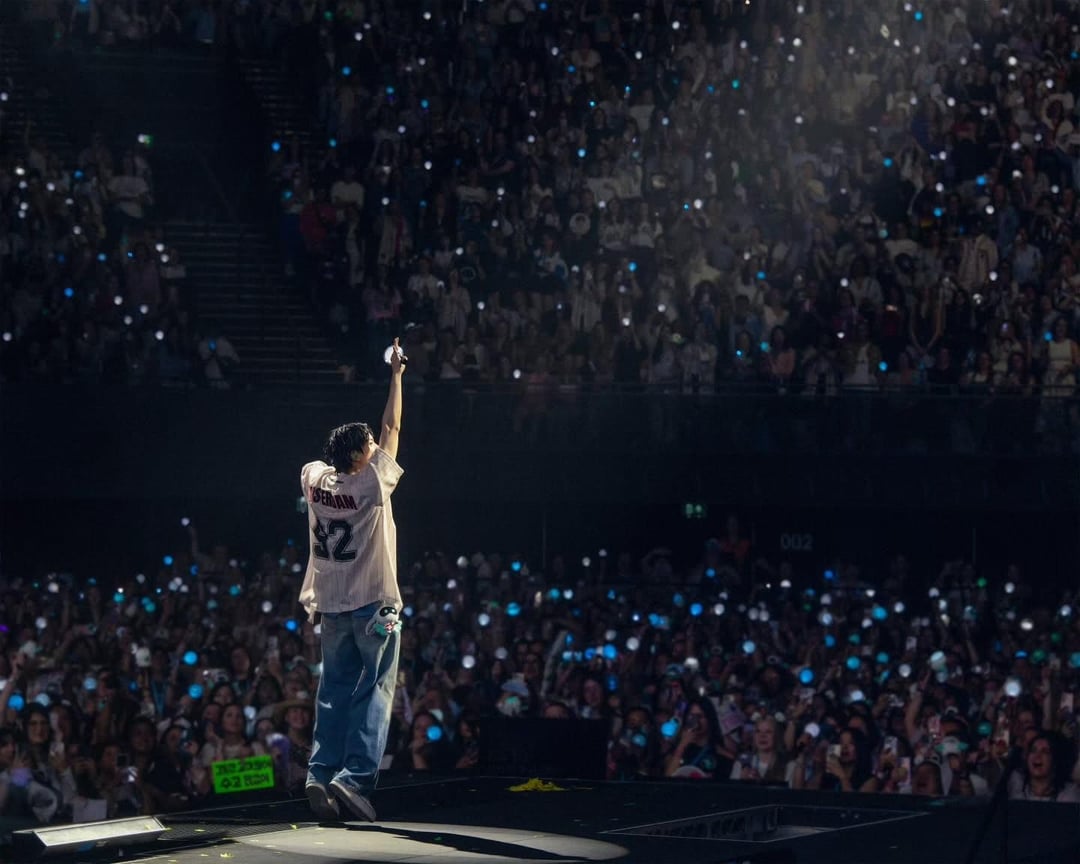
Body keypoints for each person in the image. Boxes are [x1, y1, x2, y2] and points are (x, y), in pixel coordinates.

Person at [298, 338, 406, 822]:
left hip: (332, 606)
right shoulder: (372, 482)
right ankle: (354, 779)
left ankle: (319, 774)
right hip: (375, 606)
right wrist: (396, 375)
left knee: (333, 692)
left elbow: (321, 461)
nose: (377, 446)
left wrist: (343, 450)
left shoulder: (313, 478)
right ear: (363, 456)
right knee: (375, 688)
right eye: (370, 446)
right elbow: (392, 426)